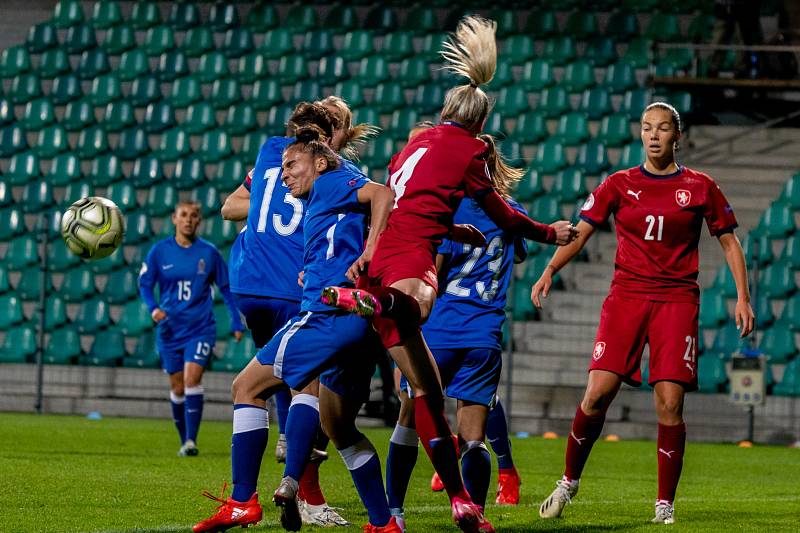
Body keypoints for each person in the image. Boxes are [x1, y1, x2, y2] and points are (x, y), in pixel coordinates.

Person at [322, 16, 578, 533]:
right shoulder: (472, 151)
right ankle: (469, 505)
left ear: (442, 113)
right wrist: (548, 233)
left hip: (385, 250)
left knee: (419, 403)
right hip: (440, 284)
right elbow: (504, 216)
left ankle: (403, 512)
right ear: (480, 127)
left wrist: (450, 233)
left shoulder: (410, 147)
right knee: (418, 310)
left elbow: (407, 202)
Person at [533, 102, 755, 525]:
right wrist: (550, 269)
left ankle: (664, 504)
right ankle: (568, 482)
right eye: (647, 128)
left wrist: (742, 297)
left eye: (663, 128)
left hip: (676, 301)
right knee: (597, 393)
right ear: (640, 134)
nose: (654, 135)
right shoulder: (619, 184)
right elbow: (581, 231)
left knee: (670, 404)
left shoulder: (702, 186)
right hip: (627, 298)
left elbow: (729, 241)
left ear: (678, 136)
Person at [193, 128, 398, 533]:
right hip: (353, 323)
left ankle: (242, 501)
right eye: (282, 167)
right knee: (341, 429)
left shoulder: (333, 180)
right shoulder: (330, 197)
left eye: (291, 166)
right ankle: (383, 522)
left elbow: (384, 195)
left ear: (320, 161)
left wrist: (369, 253)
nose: (283, 174)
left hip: (326, 317)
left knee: (246, 388)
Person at [220, 101, 355, 527]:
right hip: (292, 285)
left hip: (248, 283)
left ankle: (279, 471)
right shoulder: (335, 173)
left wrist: (265, 201)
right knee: (308, 390)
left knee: (272, 372)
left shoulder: (271, 153)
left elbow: (230, 206)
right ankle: (301, 489)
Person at [385, 131, 528, 529]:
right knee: (473, 439)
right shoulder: (511, 211)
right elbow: (516, 253)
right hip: (485, 334)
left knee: (409, 419)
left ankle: (393, 515)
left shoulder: (448, 209)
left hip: (441, 331)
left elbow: (435, 273)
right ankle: (476, 516)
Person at [138, 201, 244, 457]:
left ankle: (191, 441)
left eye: (194, 215)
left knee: (192, 379)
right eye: (183, 215)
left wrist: (236, 321)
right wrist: (153, 308)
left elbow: (226, 288)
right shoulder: (159, 252)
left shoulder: (208, 253)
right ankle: (183, 438)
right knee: (177, 387)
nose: (188, 219)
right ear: (174, 218)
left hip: (200, 327)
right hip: (169, 330)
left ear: (199, 221)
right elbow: (144, 283)